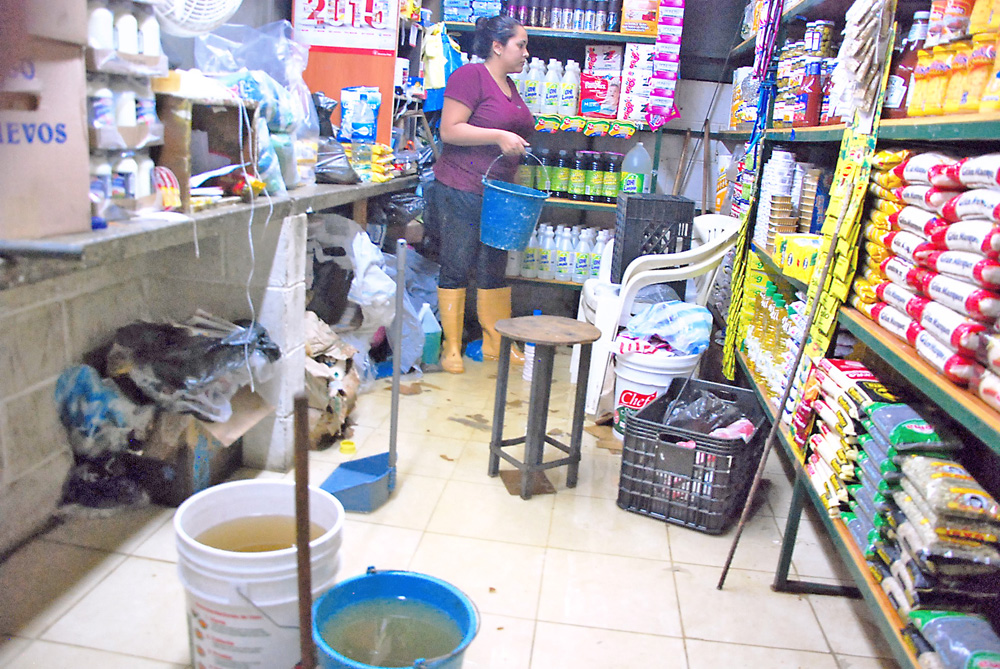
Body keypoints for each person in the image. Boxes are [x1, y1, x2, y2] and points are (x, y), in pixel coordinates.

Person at [429, 15, 534, 374]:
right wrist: (499, 136)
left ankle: (495, 342)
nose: (525, 52)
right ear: (497, 46)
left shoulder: (509, 85)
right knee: (457, 263)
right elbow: (450, 130)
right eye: (520, 44)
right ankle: (452, 347)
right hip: (461, 186)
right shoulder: (470, 77)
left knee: (493, 267)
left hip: (499, 193)